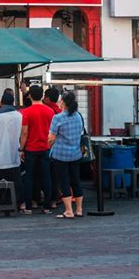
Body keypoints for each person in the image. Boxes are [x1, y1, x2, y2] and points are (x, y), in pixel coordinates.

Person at [48, 91, 84, 219]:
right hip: (75, 153)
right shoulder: (78, 116)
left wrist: (49, 146)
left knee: (64, 182)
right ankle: (79, 209)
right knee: (76, 181)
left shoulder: (57, 118)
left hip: (60, 155)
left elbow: (51, 138)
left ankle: (69, 211)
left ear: (62, 102)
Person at [19, 85, 54, 215]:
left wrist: (21, 148)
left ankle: (28, 206)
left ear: (30, 96)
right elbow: (52, 132)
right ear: (42, 96)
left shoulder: (26, 112)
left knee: (29, 176)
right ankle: (47, 206)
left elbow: (24, 133)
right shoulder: (50, 111)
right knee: (46, 176)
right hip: (46, 147)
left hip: (31, 148)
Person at [0, 91, 24, 208]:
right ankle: (19, 203)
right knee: (16, 182)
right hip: (15, 155)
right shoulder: (20, 116)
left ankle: (0, 203)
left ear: (0, 103)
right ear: (13, 102)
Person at [43, 86, 62, 208]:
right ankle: (55, 200)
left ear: (48, 98)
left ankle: (47, 199)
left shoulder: (47, 110)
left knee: (45, 175)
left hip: (46, 146)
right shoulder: (61, 112)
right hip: (59, 148)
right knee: (56, 175)